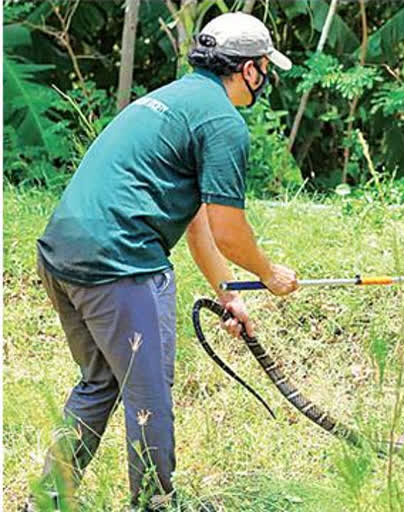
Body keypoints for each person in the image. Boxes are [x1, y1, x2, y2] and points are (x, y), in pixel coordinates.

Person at [27, 12, 297, 511]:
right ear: (250, 69)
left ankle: (49, 499)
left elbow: (197, 223)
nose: (265, 78)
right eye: (264, 67)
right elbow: (230, 231)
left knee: (101, 381)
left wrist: (229, 293)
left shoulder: (170, 99)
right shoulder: (221, 121)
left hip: (62, 254)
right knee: (147, 393)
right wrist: (269, 273)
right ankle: (155, 504)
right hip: (120, 264)